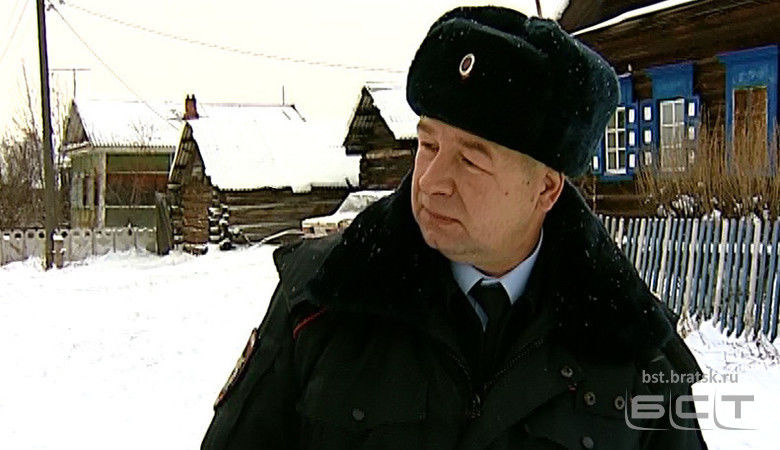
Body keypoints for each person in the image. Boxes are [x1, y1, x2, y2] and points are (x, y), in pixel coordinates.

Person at [201, 6, 709, 450]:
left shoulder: (633, 348)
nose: (431, 181)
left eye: (471, 160)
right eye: (428, 145)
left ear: (546, 189)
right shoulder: (322, 299)